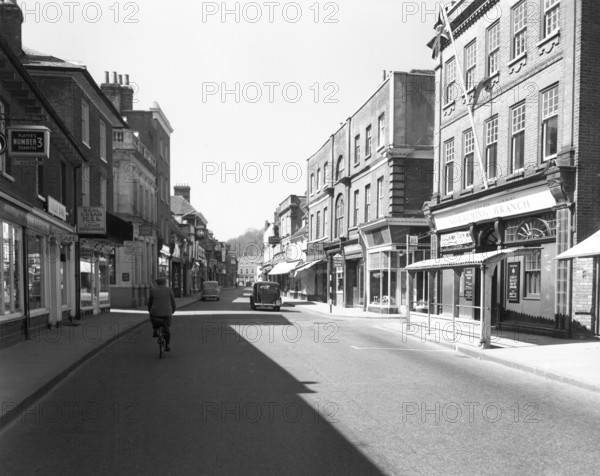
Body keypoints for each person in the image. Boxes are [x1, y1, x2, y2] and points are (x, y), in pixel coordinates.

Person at [147, 277, 176, 352]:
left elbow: (150, 303)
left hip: (154, 313)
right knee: (167, 328)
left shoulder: (153, 290)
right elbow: (173, 302)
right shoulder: (169, 290)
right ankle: (167, 345)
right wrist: (173, 310)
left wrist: (149, 311)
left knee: (154, 320)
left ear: (157, 283)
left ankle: (155, 329)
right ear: (164, 283)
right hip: (167, 313)